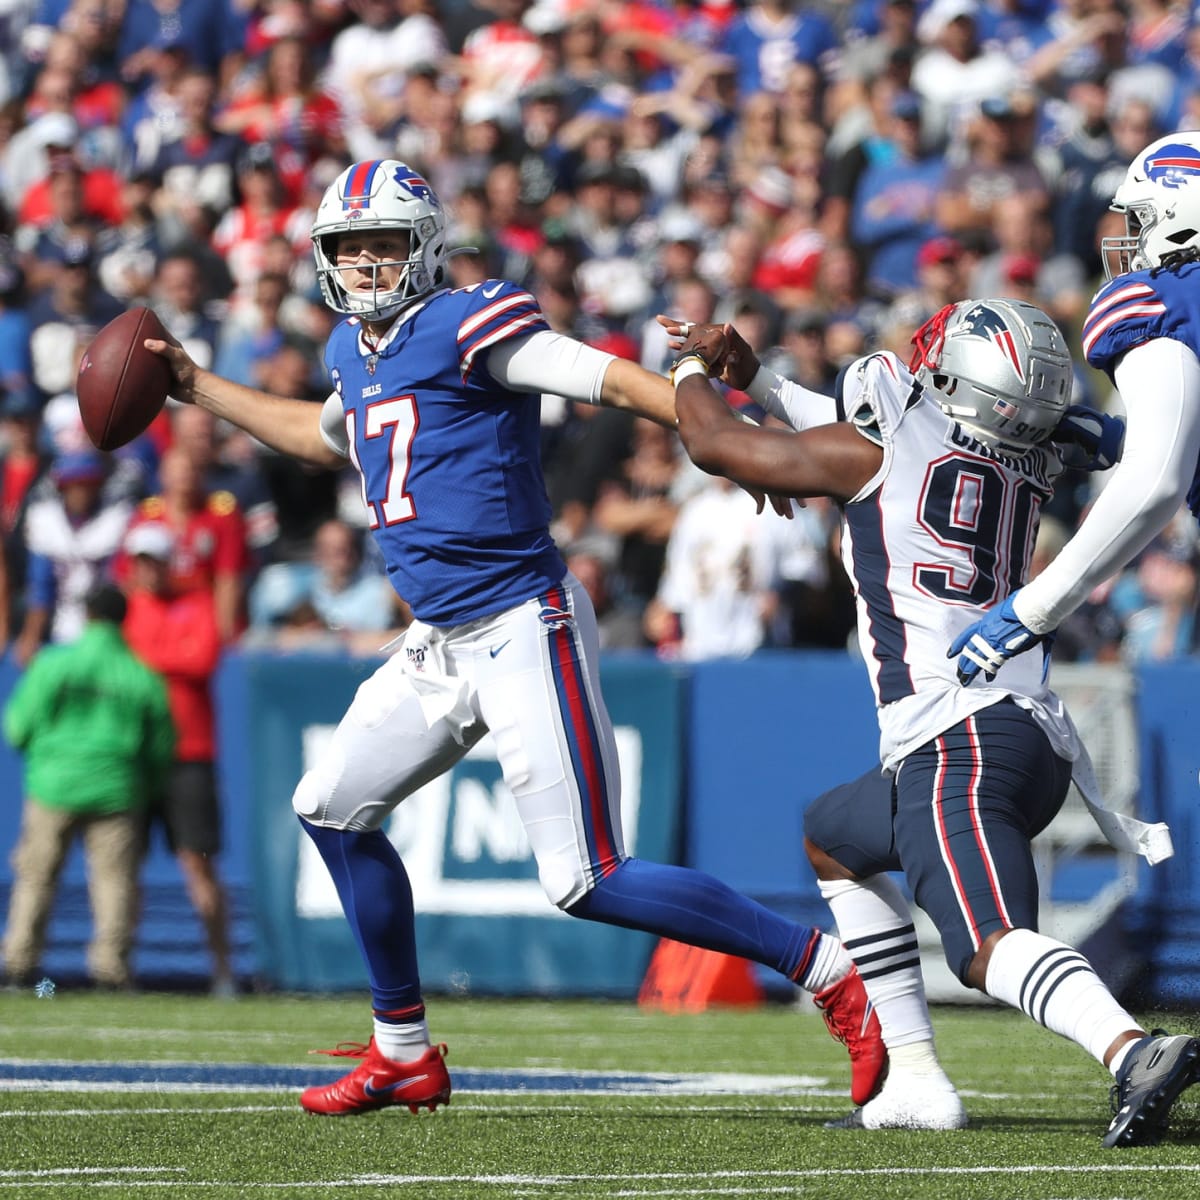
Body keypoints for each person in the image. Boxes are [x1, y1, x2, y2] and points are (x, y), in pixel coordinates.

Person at [143, 157, 885, 1116]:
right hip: (437, 639)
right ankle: (402, 1049)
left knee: (588, 878)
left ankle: (828, 970)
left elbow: (605, 380)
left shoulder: (466, 322)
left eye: (383, 244)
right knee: (328, 806)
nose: (365, 264)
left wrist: (738, 442)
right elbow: (323, 433)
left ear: (424, 248)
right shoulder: (351, 349)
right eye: (348, 247)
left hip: (521, 622)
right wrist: (195, 386)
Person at [662, 298, 1198, 1147]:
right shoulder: (1035, 453)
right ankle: (915, 1076)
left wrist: (688, 371)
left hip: (959, 733)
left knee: (985, 947)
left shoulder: (875, 447)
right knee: (835, 835)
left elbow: (717, 445)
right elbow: (860, 436)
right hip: (1013, 730)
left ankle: (1133, 1050)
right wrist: (758, 377)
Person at [949, 131, 1200, 691]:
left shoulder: (1162, 299)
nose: (1125, 239)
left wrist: (1037, 607)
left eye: (1139, 221)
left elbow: (1157, 480)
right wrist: (1118, 439)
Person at [2, 583, 175, 990]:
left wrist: (48, 757)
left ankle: (18, 964)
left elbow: (17, 727)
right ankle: (110, 971)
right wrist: (143, 786)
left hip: (53, 784)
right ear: (122, 620)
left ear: (88, 616)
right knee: (113, 882)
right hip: (117, 787)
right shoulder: (141, 675)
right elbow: (161, 747)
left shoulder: (53, 665)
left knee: (35, 876)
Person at [120, 521, 235, 997]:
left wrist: (148, 657)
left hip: (189, 751)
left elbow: (202, 658)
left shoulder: (197, 601)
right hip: (137, 753)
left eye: (155, 561)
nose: (148, 570)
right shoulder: (127, 609)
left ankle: (223, 972)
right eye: (141, 561)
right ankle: (116, 969)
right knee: (123, 864)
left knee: (198, 864)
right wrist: (167, 655)